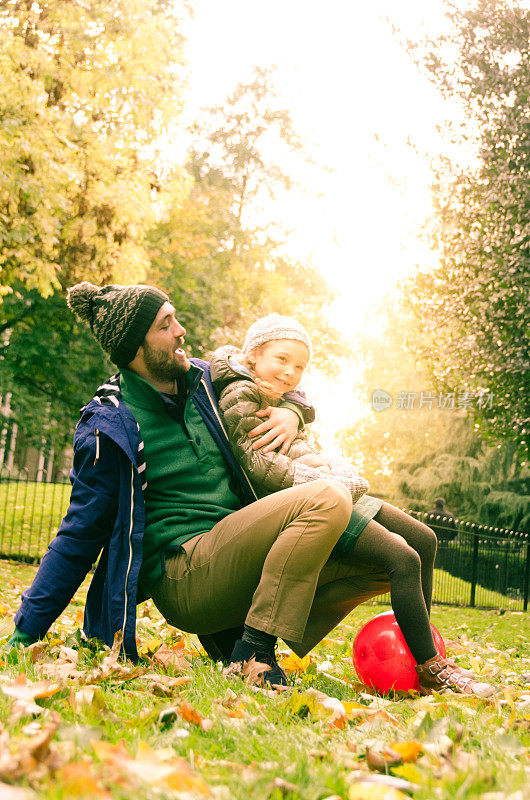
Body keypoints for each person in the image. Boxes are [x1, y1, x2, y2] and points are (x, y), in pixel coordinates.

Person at [209, 314, 495, 697]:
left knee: (425, 540)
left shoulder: (272, 392)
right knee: (404, 559)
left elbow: (301, 407)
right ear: (254, 354)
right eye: (281, 359)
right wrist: (331, 485)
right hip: (309, 501)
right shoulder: (239, 394)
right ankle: (431, 668)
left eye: (299, 366)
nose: (290, 372)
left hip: (329, 485)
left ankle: (423, 645)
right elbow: (263, 470)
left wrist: (295, 412)